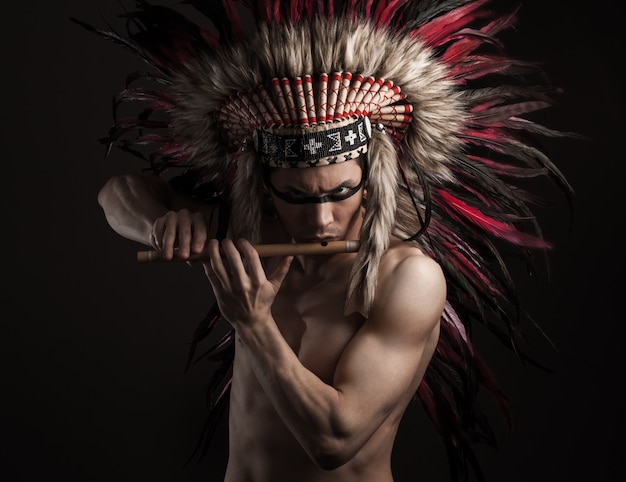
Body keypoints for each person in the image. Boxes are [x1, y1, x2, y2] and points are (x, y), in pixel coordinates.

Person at [79, 0, 573, 480]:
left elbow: (334, 442)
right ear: (266, 185)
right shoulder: (256, 230)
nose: (319, 220)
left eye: (340, 192)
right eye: (295, 195)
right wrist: (160, 224)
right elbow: (117, 194)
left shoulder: (408, 277)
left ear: (373, 175)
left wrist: (252, 322)